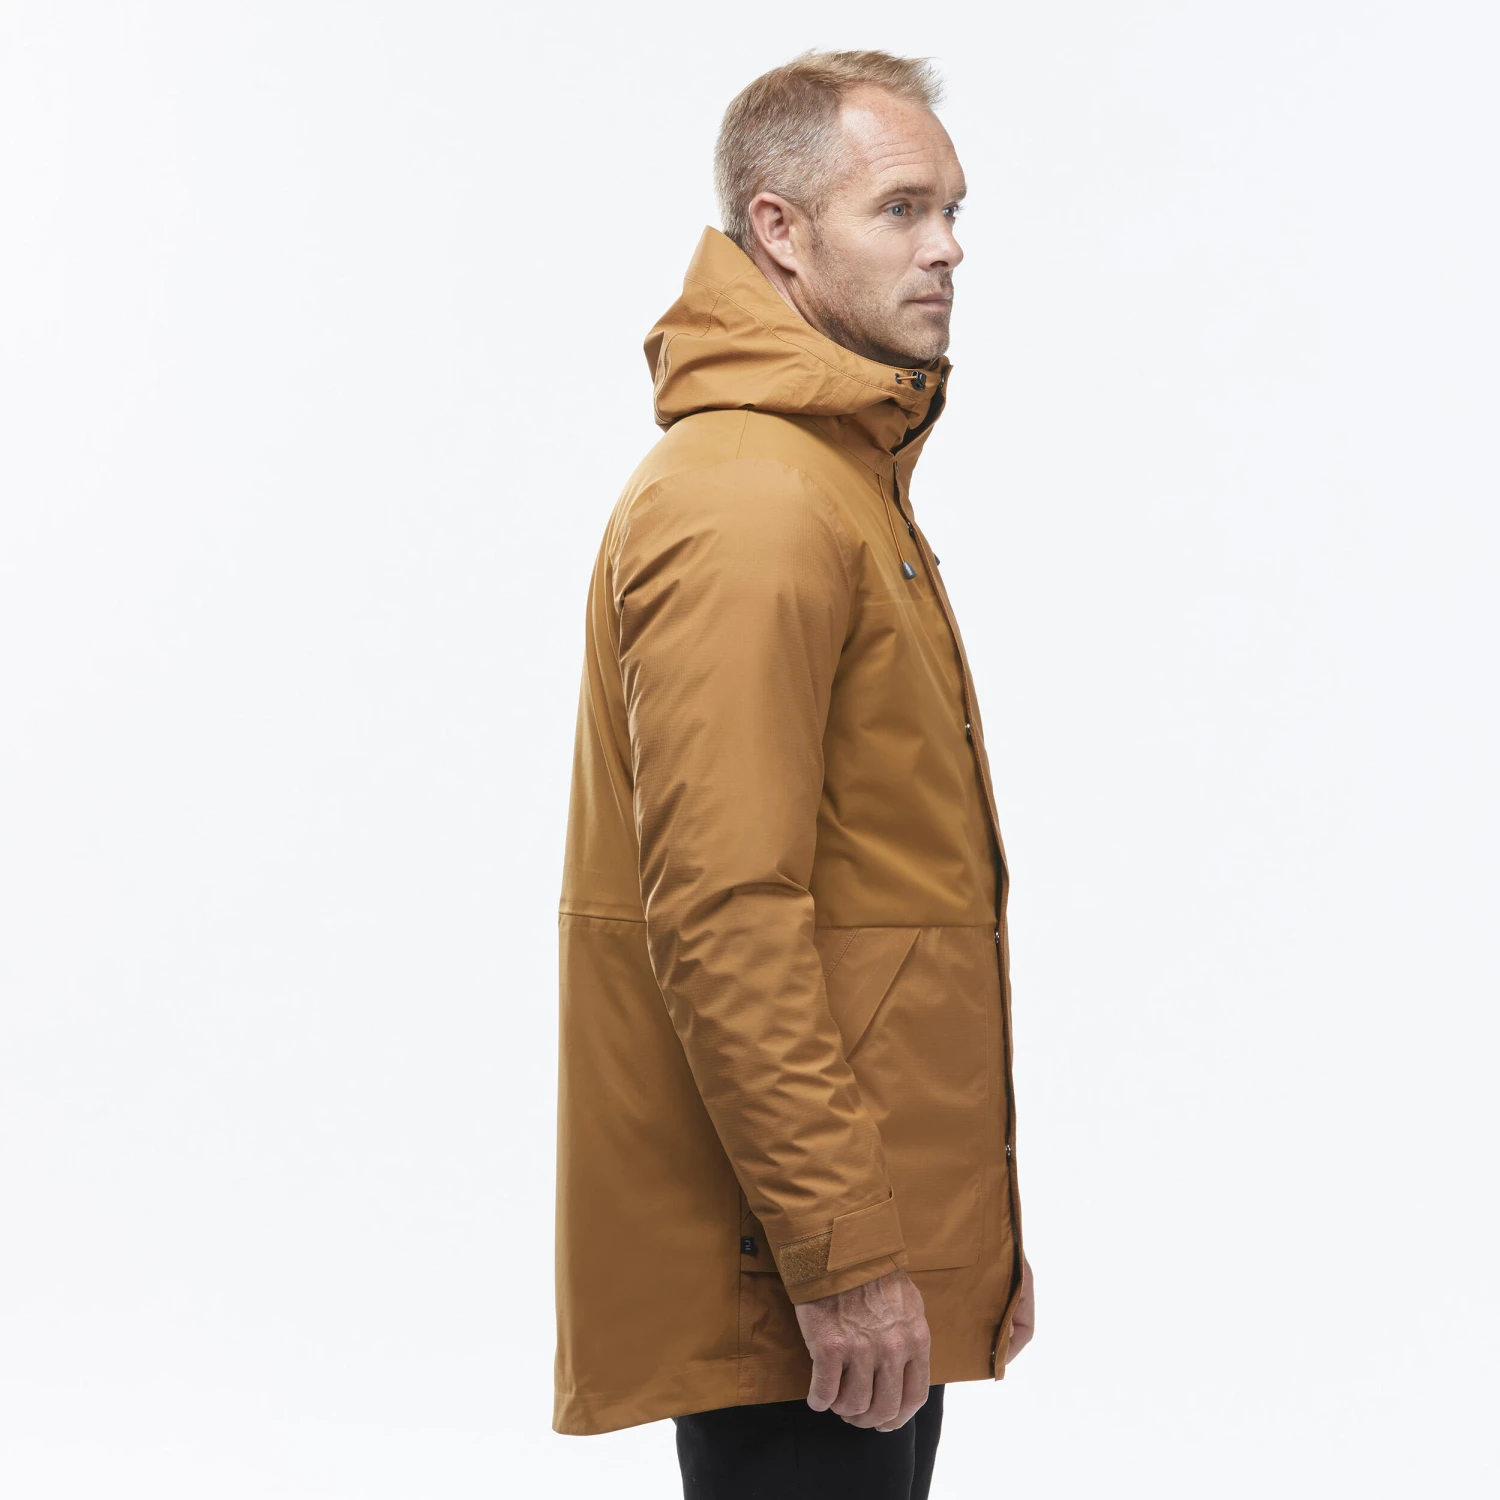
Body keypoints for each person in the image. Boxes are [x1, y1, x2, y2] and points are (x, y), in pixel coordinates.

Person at [553, 49, 1034, 1498]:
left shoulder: (833, 480)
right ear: (780, 228)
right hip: (798, 1270)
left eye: (953, 210)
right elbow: (724, 914)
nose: (946, 248)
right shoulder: (752, 502)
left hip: (855, 1235)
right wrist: (841, 1253)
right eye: (900, 209)